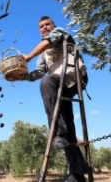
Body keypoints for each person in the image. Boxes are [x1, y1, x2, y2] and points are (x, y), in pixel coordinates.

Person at [21, 16, 89, 182]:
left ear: (53, 25)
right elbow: (39, 72)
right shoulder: (44, 53)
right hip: (58, 86)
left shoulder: (59, 32)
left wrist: (28, 56)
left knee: (47, 81)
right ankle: (78, 172)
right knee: (66, 123)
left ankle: (59, 134)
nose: (44, 27)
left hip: (73, 78)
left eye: (47, 24)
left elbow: (49, 41)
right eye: (41, 26)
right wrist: (22, 77)